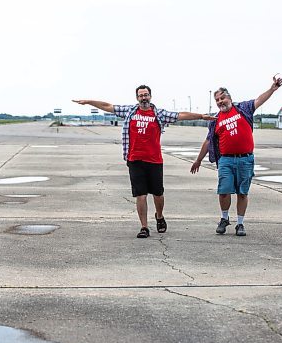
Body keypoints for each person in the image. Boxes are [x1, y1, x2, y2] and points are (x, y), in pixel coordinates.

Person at [73, 86, 213, 238]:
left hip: (154, 160)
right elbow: (107, 106)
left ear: (150, 96)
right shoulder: (130, 111)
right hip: (135, 160)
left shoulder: (159, 113)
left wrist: (201, 116)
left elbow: (180, 115)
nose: (144, 98)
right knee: (141, 194)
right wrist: (89, 102)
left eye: (146, 95)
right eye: (141, 96)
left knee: (158, 194)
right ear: (137, 98)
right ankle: (144, 227)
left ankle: (159, 216)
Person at [190, 74, 282, 237]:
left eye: (222, 98)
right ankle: (224, 219)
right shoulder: (215, 119)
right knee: (224, 191)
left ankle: (240, 224)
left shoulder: (243, 108)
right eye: (217, 100)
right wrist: (198, 160)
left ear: (229, 97)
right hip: (226, 160)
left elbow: (259, 100)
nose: (220, 102)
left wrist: (272, 89)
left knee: (242, 193)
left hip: (245, 159)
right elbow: (208, 141)